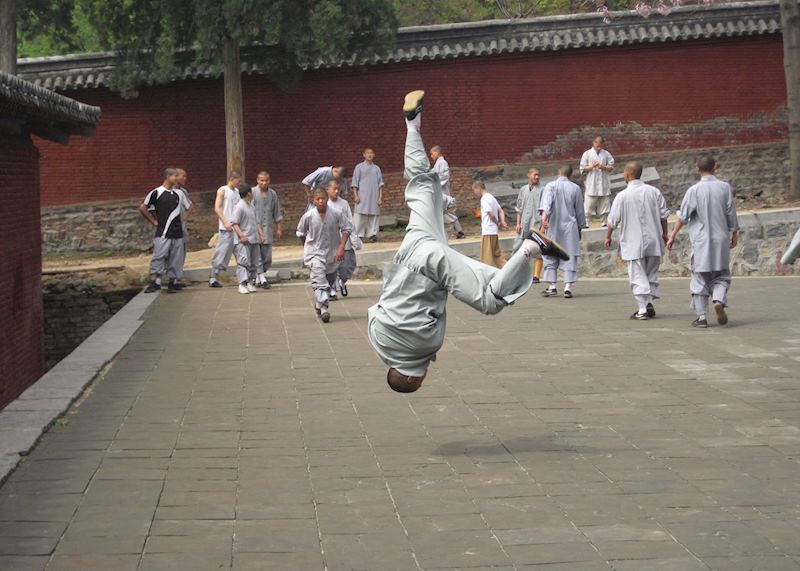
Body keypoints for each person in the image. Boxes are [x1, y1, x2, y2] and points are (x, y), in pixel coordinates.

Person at [367, 90, 568, 393]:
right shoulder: (377, 338)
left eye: (420, 380)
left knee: (490, 300)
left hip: (431, 265)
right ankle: (412, 124)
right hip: (410, 250)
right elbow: (376, 310)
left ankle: (531, 246)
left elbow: (439, 306)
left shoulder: (424, 346)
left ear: (411, 377)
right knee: (421, 184)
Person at [667, 155, 739, 328]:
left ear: (696, 169)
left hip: (701, 240)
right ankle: (719, 299)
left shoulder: (693, 191)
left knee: (699, 277)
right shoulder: (724, 188)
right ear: (716, 167)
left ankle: (701, 318)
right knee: (721, 275)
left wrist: (672, 235)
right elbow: (731, 212)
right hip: (721, 238)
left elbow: (683, 216)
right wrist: (734, 233)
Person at [604, 161, 670, 320]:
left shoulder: (622, 196)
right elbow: (664, 216)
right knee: (651, 273)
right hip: (654, 239)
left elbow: (612, 220)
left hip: (633, 241)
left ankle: (642, 309)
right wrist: (665, 234)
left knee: (637, 274)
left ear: (627, 175)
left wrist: (608, 236)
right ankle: (649, 304)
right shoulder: (654, 192)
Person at [296, 188, 352, 323]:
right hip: (314, 253)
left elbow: (346, 229)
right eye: (318, 199)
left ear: (327, 199)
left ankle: (319, 304)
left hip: (332, 253)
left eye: (323, 198)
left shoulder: (336, 213)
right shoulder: (308, 216)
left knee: (329, 280)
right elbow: (301, 233)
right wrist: (307, 248)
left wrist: (341, 248)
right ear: (313, 200)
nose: (321, 201)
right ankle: (324, 309)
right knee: (319, 280)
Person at [139, 168, 189, 294]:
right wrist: (153, 221)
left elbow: (189, 206)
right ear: (168, 176)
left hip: (177, 232)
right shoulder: (156, 192)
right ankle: (154, 281)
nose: (177, 178)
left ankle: (173, 281)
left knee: (176, 258)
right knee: (159, 256)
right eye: (175, 176)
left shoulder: (180, 193)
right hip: (163, 231)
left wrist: (184, 216)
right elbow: (143, 207)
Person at [540, 165, 585, 298]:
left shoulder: (550, 186)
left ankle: (552, 285)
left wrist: (544, 218)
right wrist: (580, 227)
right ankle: (567, 287)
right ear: (570, 175)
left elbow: (546, 205)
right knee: (570, 254)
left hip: (553, 225)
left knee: (550, 254)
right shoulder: (575, 188)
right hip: (570, 226)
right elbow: (579, 211)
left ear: (558, 172)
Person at [326, 180, 362, 298]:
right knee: (331, 268)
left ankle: (342, 282)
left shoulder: (344, 204)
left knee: (347, 266)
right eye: (334, 189)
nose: (336, 191)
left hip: (345, 240)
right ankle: (332, 289)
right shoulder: (325, 204)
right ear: (328, 190)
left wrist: (354, 238)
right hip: (331, 242)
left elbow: (350, 221)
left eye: (338, 189)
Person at [209, 172, 242, 287]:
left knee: (241, 252)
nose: (239, 183)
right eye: (238, 180)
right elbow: (217, 208)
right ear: (232, 179)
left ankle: (244, 276)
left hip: (237, 228)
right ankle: (213, 277)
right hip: (226, 228)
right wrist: (225, 221)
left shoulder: (237, 192)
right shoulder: (223, 190)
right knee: (222, 253)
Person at [252, 171, 283, 289]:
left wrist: (279, 228)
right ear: (257, 180)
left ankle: (259, 275)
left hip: (268, 228)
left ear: (269, 181)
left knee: (267, 257)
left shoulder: (273, 194)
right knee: (257, 254)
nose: (264, 183)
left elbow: (277, 212)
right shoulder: (253, 193)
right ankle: (262, 278)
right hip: (255, 228)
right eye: (261, 180)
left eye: (266, 180)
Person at [514, 168, 544, 283]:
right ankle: (517, 274)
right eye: (535, 175)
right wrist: (518, 223)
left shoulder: (543, 190)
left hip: (536, 224)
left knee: (537, 250)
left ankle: (536, 276)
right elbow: (519, 208)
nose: (537, 177)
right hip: (524, 224)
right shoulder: (523, 190)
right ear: (529, 175)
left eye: (538, 175)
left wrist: (543, 225)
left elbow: (545, 209)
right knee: (517, 248)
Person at [230, 183, 262, 294]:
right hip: (244, 240)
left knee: (254, 262)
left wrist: (260, 234)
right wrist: (241, 235)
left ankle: (250, 282)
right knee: (243, 262)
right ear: (249, 193)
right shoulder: (239, 207)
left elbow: (256, 222)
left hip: (254, 238)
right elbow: (234, 223)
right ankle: (242, 284)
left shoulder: (251, 206)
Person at [430, 145, 465, 239]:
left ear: (437, 152)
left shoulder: (442, 163)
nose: (431, 156)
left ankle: (459, 231)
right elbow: (433, 174)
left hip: (442, 192)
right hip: (439, 192)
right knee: (442, 212)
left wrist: (436, 184)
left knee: (447, 211)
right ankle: (457, 231)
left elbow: (444, 176)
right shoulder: (438, 164)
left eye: (432, 153)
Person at [580, 136, 615, 227]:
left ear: (602, 144)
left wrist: (603, 167)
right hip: (592, 182)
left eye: (600, 145)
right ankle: (587, 222)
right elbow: (582, 169)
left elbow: (611, 167)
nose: (598, 147)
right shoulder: (587, 154)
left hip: (603, 182)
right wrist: (591, 167)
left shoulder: (606, 154)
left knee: (604, 203)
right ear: (593, 143)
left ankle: (604, 221)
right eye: (597, 145)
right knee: (589, 204)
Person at [351, 149, 384, 242]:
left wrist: (380, 197)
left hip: (374, 195)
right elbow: (355, 183)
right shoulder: (359, 167)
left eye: (371, 153)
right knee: (360, 215)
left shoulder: (376, 168)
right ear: (364, 155)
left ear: (374, 155)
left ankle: (372, 234)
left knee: (374, 215)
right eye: (367, 153)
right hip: (362, 195)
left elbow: (380, 184)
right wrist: (355, 195)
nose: (369, 155)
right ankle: (358, 235)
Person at [474, 181, 508, 268]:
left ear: (478, 188)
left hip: (488, 231)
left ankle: (486, 276)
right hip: (494, 232)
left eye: (474, 190)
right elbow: (500, 211)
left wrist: (498, 223)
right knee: (497, 255)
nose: (475, 193)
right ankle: (508, 270)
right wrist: (502, 221)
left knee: (486, 258)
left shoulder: (484, 199)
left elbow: (491, 215)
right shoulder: (491, 197)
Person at [174, 168, 192, 288]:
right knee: (174, 253)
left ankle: (178, 277)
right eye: (183, 176)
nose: (185, 179)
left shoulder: (183, 191)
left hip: (182, 227)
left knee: (182, 252)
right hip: (172, 228)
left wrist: (185, 216)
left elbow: (189, 206)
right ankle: (173, 278)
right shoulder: (169, 191)